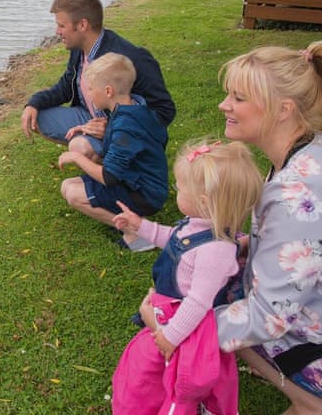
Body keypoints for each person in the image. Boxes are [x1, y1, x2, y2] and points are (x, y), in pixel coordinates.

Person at [139, 41, 322, 414]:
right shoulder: (304, 151)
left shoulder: (293, 196)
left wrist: (171, 328)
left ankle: (308, 400)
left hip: (310, 335)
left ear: (283, 110)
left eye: (238, 98)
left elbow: (270, 317)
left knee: (188, 308)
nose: (224, 105)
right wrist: (241, 246)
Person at [111, 140, 262, 414]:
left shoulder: (215, 251)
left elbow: (198, 302)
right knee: (154, 369)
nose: (176, 190)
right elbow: (173, 238)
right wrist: (140, 226)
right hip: (170, 314)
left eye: (179, 188)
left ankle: (184, 404)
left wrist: (170, 336)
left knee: (180, 376)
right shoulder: (197, 224)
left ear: (203, 201)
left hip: (185, 326)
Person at [21, 0, 175, 156]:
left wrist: (112, 129)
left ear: (82, 25)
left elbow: (164, 110)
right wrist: (34, 103)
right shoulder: (79, 49)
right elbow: (65, 87)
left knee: (80, 147)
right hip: (90, 116)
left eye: (61, 25)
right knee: (37, 118)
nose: (57, 32)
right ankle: (98, 149)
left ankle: (117, 162)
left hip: (126, 130)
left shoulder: (131, 58)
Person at [57, 52, 169, 251]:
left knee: (74, 194)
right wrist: (98, 130)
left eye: (91, 90)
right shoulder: (135, 108)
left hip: (144, 193)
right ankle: (130, 221)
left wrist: (75, 157)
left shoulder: (125, 127)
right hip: (139, 181)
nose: (89, 95)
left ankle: (137, 233)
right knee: (67, 185)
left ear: (108, 91)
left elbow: (109, 176)